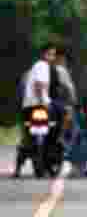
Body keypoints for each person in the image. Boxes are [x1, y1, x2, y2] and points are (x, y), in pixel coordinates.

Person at [12, 44, 57, 178]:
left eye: (53, 54)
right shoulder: (43, 66)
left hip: (28, 107)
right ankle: (44, 166)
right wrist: (44, 102)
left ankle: (19, 168)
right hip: (37, 105)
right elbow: (39, 85)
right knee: (45, 134)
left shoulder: (34, 68)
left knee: (29, 138)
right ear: (44, 54)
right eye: (50, 54)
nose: (52, 57)